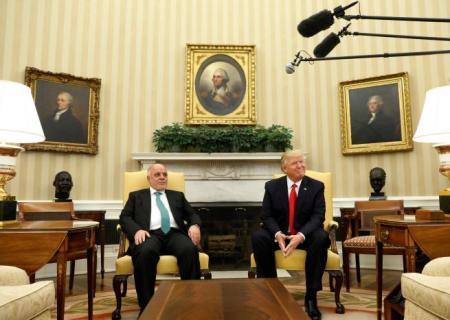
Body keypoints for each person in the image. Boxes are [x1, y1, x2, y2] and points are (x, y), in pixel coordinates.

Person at [251, 150, 330, 320]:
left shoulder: (316, 186)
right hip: (280, 235)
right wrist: (278, 234)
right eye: (295, 163)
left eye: (302, 162)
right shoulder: (272, 186)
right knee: (259, 237)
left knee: (322, 237)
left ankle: (311, 296)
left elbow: (318, 216)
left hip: (305, 236)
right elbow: (266, 215)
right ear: (284, 168)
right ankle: (270, 290)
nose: (301, 166)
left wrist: (300, 236)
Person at [119, 163, 202, 312]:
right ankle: (147, 307)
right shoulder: (136, 196)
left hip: (174, 234)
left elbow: (192, 214)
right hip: (149, 234)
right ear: (149, 178)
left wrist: (194, 225)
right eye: (158, 174)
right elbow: (124, 217)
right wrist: (137, 230)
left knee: (189, 249)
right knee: (145, 253)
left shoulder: (177, 195)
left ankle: (191, 303)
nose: (162, 177)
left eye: (165, 174)